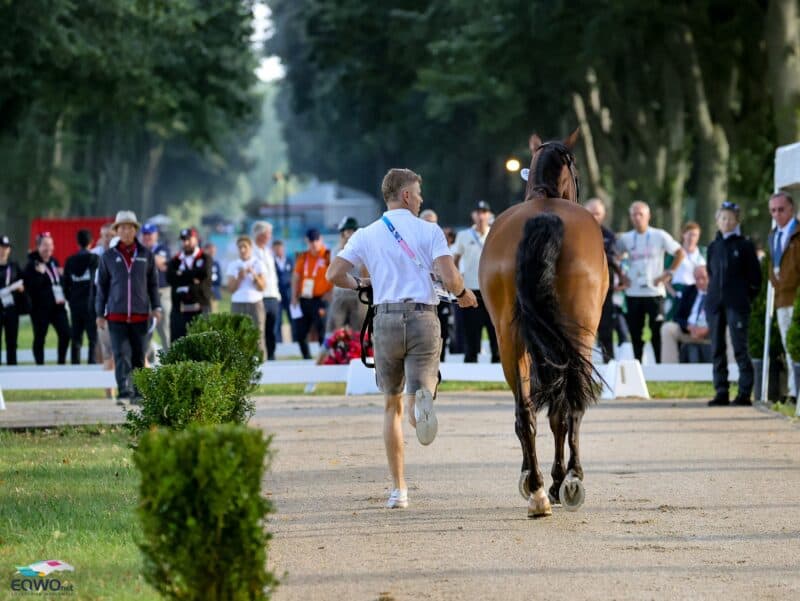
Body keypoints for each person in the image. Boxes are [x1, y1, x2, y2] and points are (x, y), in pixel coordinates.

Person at [326, 168, 477, 510]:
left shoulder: (365, 234)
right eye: (418, 192)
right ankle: (420, 401)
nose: (422, 199)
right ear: (406, 195)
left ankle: (399, 490)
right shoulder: (429, 230)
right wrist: (465, 294)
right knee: (418, 391)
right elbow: (451, 278)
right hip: (424, 317)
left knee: (389, 405)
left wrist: (362, 284)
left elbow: (333, 273)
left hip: (387, 318)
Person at [95, 211, 162, 404]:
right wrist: (100, 313)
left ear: (135, 230)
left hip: (141, 315)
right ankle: (124, 392)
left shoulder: (146, 255)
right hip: (116, 316)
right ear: (117, 231)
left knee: (139, 355)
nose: (126, 231)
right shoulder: (108, 257)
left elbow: (153, 285)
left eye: (129, 227)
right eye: (122, 227)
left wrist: (156, 306)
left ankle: (138, 393)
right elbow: (102, 287)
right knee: (121, 354)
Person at [615, 201, 685, 363]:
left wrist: (668, 274)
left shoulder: (659, 235)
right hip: (633, 292)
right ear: (631, 217)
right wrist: (621, 275)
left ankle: (659, 366)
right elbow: (613, 257)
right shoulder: (625, 238)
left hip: (655, 292)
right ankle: (637, 365)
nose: (637, 218)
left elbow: (680, 252)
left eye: (641, 214)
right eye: (634, 214)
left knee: (657, 331)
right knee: (635, 331)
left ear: (648, 216)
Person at [706, 202, 762, 406]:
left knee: (740, 347)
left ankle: (744, 392)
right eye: (723, 218)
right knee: (717, 348)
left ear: (737, 221)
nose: (726, 222)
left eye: (730, 218)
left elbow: (755, 278)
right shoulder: (713, 246)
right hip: (715, 304)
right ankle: (721, 391)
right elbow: (710, 273)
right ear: (717, 221)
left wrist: (744, 297)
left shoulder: (745, 246)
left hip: (737, 304)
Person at [453, 200, 499, 363]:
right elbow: (455, 260)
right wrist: (459, 280)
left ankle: (497, 361)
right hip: (471, 289)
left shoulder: (495, 233)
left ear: (489, 215)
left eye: (484, 212)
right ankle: (470, 362)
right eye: (478, 212)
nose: (481, 216)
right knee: (471, 331)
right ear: (473, 215)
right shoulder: (464, 235)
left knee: (494, 329)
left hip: (491, 290)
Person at [767, 192, 800, 404]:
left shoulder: (798, 232)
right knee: (790, 347)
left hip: (797, 298)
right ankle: (793, 391)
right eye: (773, 210)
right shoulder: (773, 236)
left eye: (781, 209)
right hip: (781, 298)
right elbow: (772, 266)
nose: (777, 214)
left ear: (792, 209)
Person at [585, 198, 624, 361]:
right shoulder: (574, 232)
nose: (594, 216)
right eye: (591, 213)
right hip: (580, 289)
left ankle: (609, 363)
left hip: (603, 290)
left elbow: (613, 258)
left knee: (606, 327)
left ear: (604, 215)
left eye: (598, 213)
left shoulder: (609, 236)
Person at [23, 232, 70, 365]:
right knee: (40, 337)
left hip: (58, 306)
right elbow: (29, 287)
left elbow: (57, 282)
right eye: (44, 245)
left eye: (50, 245)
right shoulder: (32, 264)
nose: (48, 248)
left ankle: (61, 364)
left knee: (66, 334)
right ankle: (40, 366)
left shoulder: (54, 262)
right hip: (40, 309)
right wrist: (39, 275)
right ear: (38, 247)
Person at [292, 228, 333, 360]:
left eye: (316, 240)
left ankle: (324, 359)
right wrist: (294, 296)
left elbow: (336, 274)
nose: (314, 243)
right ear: (307, 242)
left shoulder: (328, 255)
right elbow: (296, 277)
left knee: (322, 331)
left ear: (320, 240)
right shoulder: (303, 257)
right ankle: (307, 358)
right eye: (311, 241)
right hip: (305, 299)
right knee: (300, 333)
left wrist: (331, 292)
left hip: (321, 299)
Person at [166, 227, 212, 342]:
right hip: (179, 310)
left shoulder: (205, 258)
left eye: (188, 239)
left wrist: (181, 275)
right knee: (178, 345)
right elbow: (170, 278)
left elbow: (204, 275)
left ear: (196, 239)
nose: (185, 243)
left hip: (200, 308)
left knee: (201, 344)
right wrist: (193, 277)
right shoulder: (175, 260)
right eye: (183, 240)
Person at [660, 265, 712, 363]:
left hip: (711, 332)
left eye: (703, 278)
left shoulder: (719, 293)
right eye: (697, 279)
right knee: (668, 328)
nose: (700, 281)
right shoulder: (689, 291)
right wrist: (689, 326)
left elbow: (723, 317)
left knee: (728, 330)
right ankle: (669, 371)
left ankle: (733, 370)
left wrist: (707, 328)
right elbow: (677, 317)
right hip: (689, 332)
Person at [226, 236, 267, 358]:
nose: (243, 250)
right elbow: (230, 289)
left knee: (258, 336)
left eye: (245, 247)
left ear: (251, 248)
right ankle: (240, 367)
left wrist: (254, 275)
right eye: (240, 247)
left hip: (255, 303)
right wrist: (239, 277)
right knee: (238, 336)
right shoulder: (233, 265)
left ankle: (262, 365)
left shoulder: (258, 264)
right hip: (238, 303)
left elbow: (262, 287)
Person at [325, 217, 368, 334]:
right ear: (342, 233)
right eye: (347, 231)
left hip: (357, 292)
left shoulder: (361, 249)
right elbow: (335, 273)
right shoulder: (336, 250)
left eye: (352, 231)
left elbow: (364, 272)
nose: (349, 234)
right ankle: (336, 350)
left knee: (358, 327)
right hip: (340, 292)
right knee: (337, 327)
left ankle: (358, 350)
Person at [63, 229, 99, 364]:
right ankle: (91, 365)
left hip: (75, 304)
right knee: (92, 338)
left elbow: (65, 283)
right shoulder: (95, 259)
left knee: (76, 338)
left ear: (77, 243)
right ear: (91, 242)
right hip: (91, 303)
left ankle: (75, 366)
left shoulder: (70, 261)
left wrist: (70, 299)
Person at [251, 221, 282, 360]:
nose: (270, 236)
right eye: (268, 233)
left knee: (272, 330)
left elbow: (273, 275)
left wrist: (277, 294)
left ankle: (272, 356)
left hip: (272, 296)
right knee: (259, 329)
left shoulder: (268, 252)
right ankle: (259, 358)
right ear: (260, 234)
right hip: (259, 296)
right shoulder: (252, 252)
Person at [665, 222, 706, 321]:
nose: (692, 238)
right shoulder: (675, 254)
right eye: (689, 234)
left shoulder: (702, 253)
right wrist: (674, 294)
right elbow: (665, 278)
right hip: (677, 291)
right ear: (683, 234)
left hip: (695, 292)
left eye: (695, 235)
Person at [140, 223, 171, 350]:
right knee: (145, 328)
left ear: (156, 235)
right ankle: (145, 358)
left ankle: (169, 355)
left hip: (161, 291)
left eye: (150, 234)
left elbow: (161, 262)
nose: (147, 237)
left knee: (164, 326)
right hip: (143, 292)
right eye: (145, 234)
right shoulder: (139, 249)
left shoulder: (162, 248)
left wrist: (143, 257)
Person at [0, 235, 26, 365]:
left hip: (11, 309)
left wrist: (21, 288)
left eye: (6, 247)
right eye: (1, 247)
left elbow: (23, 281)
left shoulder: (14, 265)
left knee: (12, 342)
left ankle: (12, 371)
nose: (3, 250)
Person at [273, 239, 294, 342]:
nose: (278, 251)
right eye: (276, 249)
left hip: (289, 295)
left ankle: (295, 342)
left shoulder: (290, 260)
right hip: (277, 295)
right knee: (278, 320)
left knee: (292, 319)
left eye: (280, 249)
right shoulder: (272, 262)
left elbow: (295, 275)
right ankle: (278, 342)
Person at [204, 241, 222, 312]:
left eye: (213, 251)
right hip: (203, 292)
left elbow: (219, 279)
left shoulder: (215, 263)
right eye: (210, 250)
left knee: (213, 313)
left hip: (213, 292)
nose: (212, 252)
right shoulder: (201, 262)